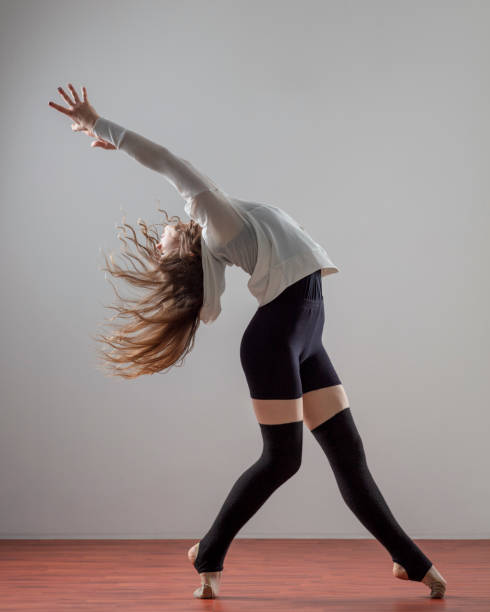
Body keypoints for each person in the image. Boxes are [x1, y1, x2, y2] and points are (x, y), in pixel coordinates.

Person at [49, 84, 447, 600]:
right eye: (163, 248)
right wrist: (101, 125)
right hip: (276, 339)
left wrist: (110, 140)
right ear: (186, 252)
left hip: (305, 335)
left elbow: (170, 166)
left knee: (349, 456)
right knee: (283, 459)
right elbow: (167, 161)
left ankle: (408, 560)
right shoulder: (216, 218)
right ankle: (208, 554)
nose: (160, 237)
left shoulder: (224, 221)